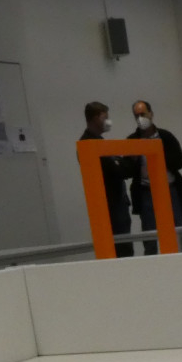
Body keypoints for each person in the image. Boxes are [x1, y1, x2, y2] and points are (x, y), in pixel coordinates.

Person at [127, 99, 182, 254]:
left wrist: (159, 153)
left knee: (178, 231)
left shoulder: (165, 136)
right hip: (146, 192)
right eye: (136, 116)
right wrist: (132, 160)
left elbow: (179, 162)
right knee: (150, 236)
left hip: (170, 190)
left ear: (151, 114)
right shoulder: (132, 140)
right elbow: (128, 170)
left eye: (143, 114)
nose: (140, 119)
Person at [79, 101, 133, 258]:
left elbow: (119, 166)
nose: (108, 121)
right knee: (120, 249)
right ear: (96, 118)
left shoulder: (100, 141)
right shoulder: (87, 143)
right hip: (110, 204)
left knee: (124, 247)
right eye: (105, 117)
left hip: (117, 203)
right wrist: (124, 162)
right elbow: (117, 170)